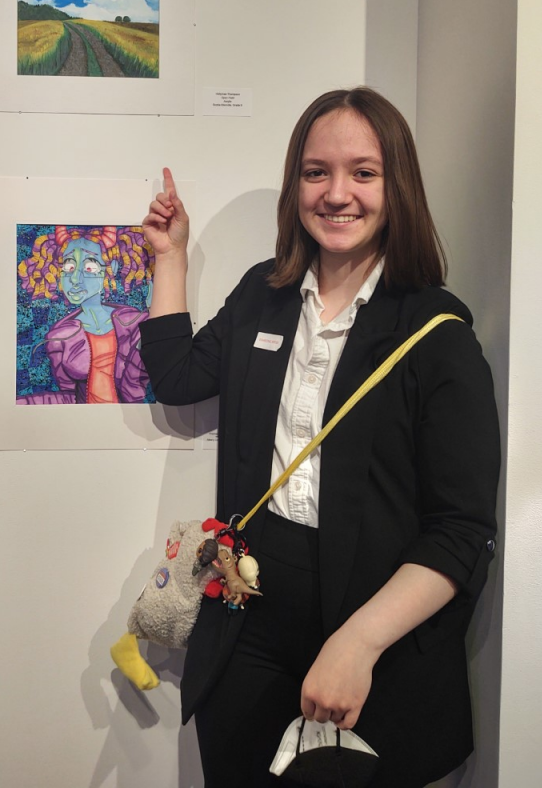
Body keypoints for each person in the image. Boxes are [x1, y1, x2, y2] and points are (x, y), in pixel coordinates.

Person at [140, 87, 500, 788]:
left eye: (364, 173)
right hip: (252, 613)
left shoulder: (435, 332)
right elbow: (179, 377)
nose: (338, 194)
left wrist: (358, 642)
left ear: (397, 186)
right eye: (316, 172)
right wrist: (170, 256)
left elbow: (461, 529)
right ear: (296, 185)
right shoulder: (263, 295)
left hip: (378, 632)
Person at [17, 225, 154, 404]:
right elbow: (70, 398)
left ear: (110, 268)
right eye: (68, 266)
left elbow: (140, 387)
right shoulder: (58, 337)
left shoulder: (135, 322)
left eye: (89, 267)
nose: (75, 279)